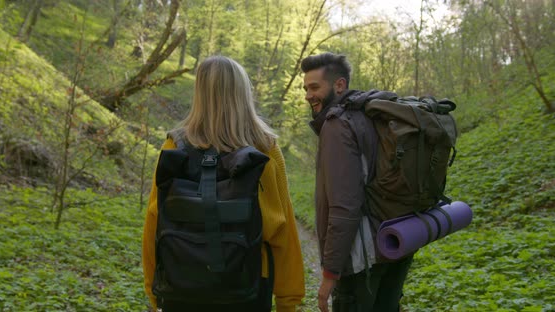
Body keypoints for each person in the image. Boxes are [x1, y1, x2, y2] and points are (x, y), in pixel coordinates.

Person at [142, 55, 305, 312]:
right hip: (247, 286)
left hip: (181, 283)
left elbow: (155, 222)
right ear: (243, 93)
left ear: (200, 94)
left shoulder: (175, 146)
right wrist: (288, 301)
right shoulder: (265, 150)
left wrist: (154, 292)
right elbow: (283, 231)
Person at [301, 52, 413, 312]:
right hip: (395, 245)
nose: (308, 95)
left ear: (339, 85)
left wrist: (330, 274)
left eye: (315, 87)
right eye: (306, 88)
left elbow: (345, 207)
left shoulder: (337, 125)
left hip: (362, 260)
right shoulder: (372, 114)